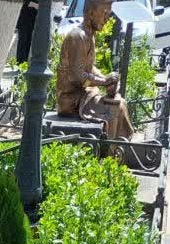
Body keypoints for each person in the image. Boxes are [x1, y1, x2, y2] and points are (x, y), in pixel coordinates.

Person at [56, 0, 134, 139]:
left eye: (109, 14)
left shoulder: (88, 35)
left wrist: (107, 79)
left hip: (81, 95)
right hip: (70, 100)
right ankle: (110, 147)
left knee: (120, 102)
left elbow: (89, 67)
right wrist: (103, 82)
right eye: (105, 14)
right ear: (91, 13)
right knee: (115, 108)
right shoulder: (77, 36)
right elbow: (77, 76)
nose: (107, 19)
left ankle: (119, 146)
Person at [16, 1, 39, 65]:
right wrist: (36, 5)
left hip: (32, 21)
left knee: (27, 43)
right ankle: (20, 63)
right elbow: (25, 2)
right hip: (24, 19)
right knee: (23, 42)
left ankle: (24, 63)